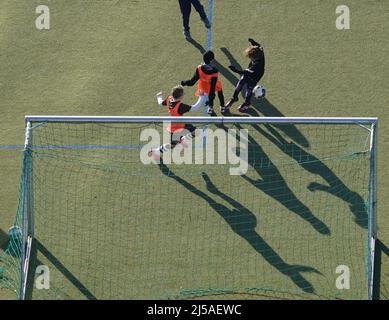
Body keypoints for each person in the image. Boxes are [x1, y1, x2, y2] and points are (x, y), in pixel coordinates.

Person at [149, 85, 200, 160]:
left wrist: (159, 96)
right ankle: (183, 139)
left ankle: (156, 151)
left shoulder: (169, 99)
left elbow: (160, 103)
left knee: (172, 145)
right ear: (180, 96)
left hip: (173, 126)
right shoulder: (180, 106)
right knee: (196, 132)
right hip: (180, 126)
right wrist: (202, 97)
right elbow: (195, 108)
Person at [224, 38, 265, 113]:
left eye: (251, 58)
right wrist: (253, 42)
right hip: (250, 71)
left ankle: (247, 103)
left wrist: (235, 70)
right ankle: (234, 99)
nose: (250, 58)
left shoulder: (257, 65)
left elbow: (245, 72)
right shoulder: (259, 50)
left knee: (249, 89)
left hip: (255, 75)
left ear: (255, 57)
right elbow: (259, 45)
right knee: (241, 82)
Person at [180, 50, 225, 116]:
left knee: (211, 93)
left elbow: (192, 82)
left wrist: (183, 83)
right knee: (219, 92)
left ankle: (210, 108)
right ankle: (222, 107)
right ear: (212, 60)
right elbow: (212, 88)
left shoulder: (199, 68)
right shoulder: (214, 70)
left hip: (204, 86)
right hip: (214, 85)